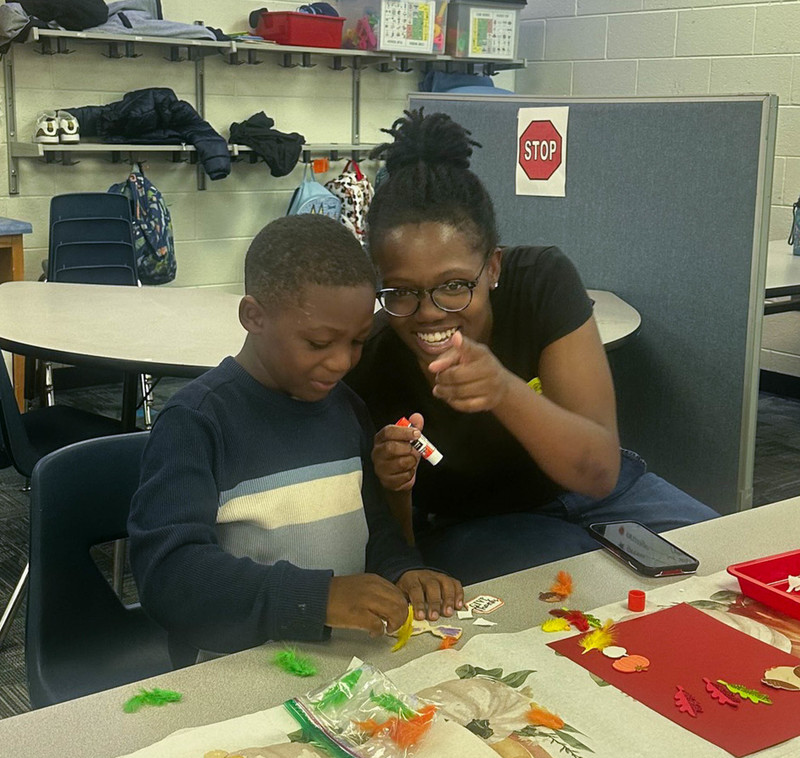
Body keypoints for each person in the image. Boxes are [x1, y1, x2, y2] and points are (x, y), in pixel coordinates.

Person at [345, 109, 718, 585]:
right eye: (400, 291)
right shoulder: (372, 360)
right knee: (588, 590)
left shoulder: (540, 282)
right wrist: (395, 484)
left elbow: (599, 471)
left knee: (724, 557)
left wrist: (503, 389)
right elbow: (397, 546)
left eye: (455, 285)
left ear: (494, 267)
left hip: (599, 493)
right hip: (483, 526)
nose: (429, 312)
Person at [128, 214, 463, 659]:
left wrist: (402, 570)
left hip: (334, 662)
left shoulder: (347, 408)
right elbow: (170, 576)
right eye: (320, 343)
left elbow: (373, 526)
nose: (343, 362)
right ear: (254, 317)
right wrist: (319, 597)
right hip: (235, 669)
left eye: (358, 341)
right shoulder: (197, 422)